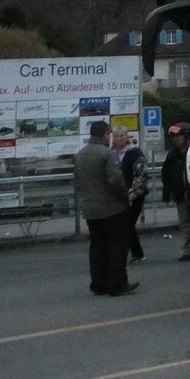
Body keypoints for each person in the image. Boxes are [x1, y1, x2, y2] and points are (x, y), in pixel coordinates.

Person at [73, 120, 139, 296]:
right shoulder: (107, 154)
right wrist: (125, 197)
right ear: (105, 134)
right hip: (111, 208)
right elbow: (115, 180)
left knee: (97, 247)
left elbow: (78, 181)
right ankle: (117, 284)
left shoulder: (80, 154)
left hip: (90, 208)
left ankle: (98, 283)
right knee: (118, 246)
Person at [162, 123, 190, 261]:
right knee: (186, 224)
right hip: (180, 195)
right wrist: (167, 192)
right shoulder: (173, 155)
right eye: (173, 136)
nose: (175, 139)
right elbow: (166, 174)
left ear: (187, 136)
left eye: (178, 136)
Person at [112, 128, 149, 263]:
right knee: (125, 225)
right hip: (118, 195)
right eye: (116, 136)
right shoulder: (111, 153)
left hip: (135, 195)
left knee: (127, 223)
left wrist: (134, 192)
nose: (120, 138)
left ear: (127, 137)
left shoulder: (134, 152)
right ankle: (136, 253)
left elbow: (141, 173)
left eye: (122, 135)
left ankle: (132, 253)